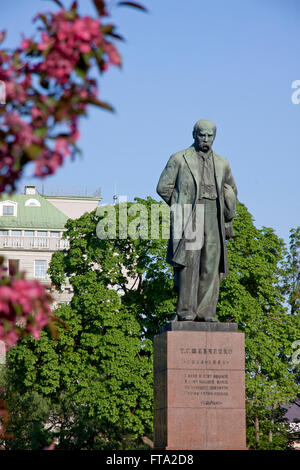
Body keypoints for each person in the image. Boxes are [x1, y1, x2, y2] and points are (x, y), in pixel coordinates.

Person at [156, 119, 237, 321]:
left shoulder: (223, 163)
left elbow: (231, 189)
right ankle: (186, 312)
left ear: (215, 137)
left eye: (210, 135)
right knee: (189, 264)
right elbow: (163, 187)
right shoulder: (179, 158)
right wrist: (180, 206)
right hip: (190, 214)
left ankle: (206, 312)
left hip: (213, 213)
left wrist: (228, 210)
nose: (206, 139)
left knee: (211, 263)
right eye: (202, 135)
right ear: (194, 135)